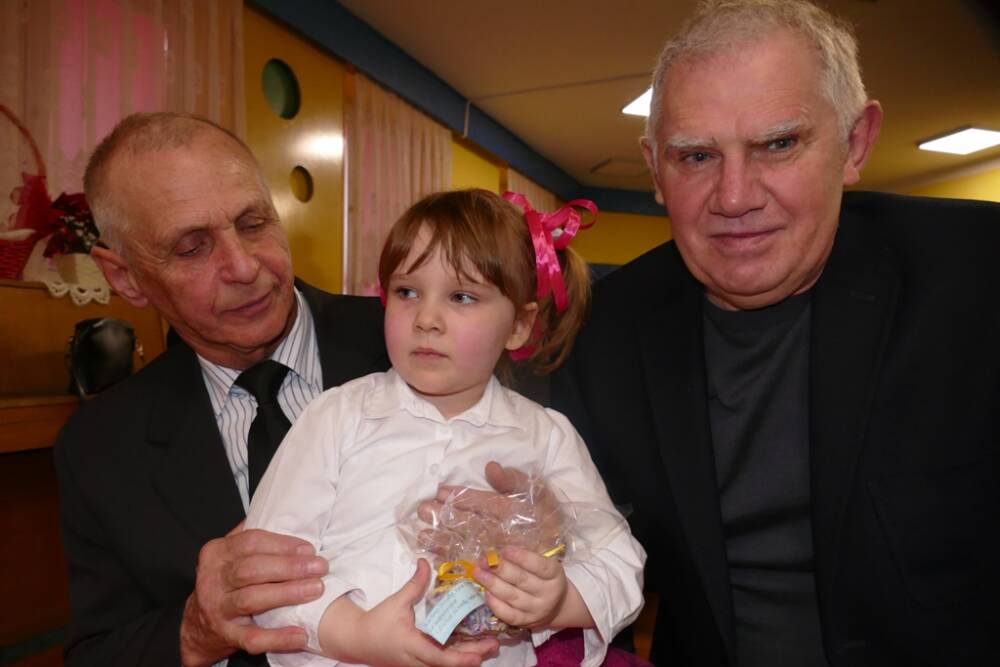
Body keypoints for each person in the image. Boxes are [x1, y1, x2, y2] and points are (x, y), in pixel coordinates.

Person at [550, 1, 1000, 666]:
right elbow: (585, 566)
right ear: (654, 168)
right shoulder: (600, 333)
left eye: (779, 144)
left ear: (855, 143)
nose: (735, 196)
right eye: (696, 156)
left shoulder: (978, 277)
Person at [243, 189, 646, 667]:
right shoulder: (336, 417)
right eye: (406, 292)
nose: (427, 319)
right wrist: (355, 634)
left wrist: (559, 600)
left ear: (519, 325)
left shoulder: (545, 438)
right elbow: (265, 568)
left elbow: (620, 563)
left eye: (462, 297)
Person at [54, 112, 399, 667]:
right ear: (125, 277)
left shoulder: (420, 345)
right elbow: (97, 654)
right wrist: (196, 631)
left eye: (253, 222)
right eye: (192, 248)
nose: (243, 266)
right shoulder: (99, 447)